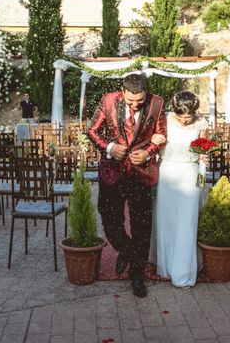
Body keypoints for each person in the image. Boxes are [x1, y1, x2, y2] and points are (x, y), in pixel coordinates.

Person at [87, 74, 167, 298]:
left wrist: (148, 152)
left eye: (139, 101)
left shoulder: (157, 103)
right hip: (113, 172)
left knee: (142, 226)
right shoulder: (108, 100)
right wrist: (110, 147)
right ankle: (127, 251)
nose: (135, 105)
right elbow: (91, 130)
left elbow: (162, 134)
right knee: (110, 219)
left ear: (146, 94)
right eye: (131, 101)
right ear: (122, 92)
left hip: (141, 173)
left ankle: (137, 275)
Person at [150, 91, 207, 288]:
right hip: (166, 174)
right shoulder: (164, 119)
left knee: (186, 223)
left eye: (188, 117)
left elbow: (203, 153)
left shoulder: (201, 123)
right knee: (166, 222)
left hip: (190, 175)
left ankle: (183, 271)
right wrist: (155, 139)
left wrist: (202, 174)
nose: (184, 120)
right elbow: (152, 142)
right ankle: (165, 266)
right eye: (181, 116)